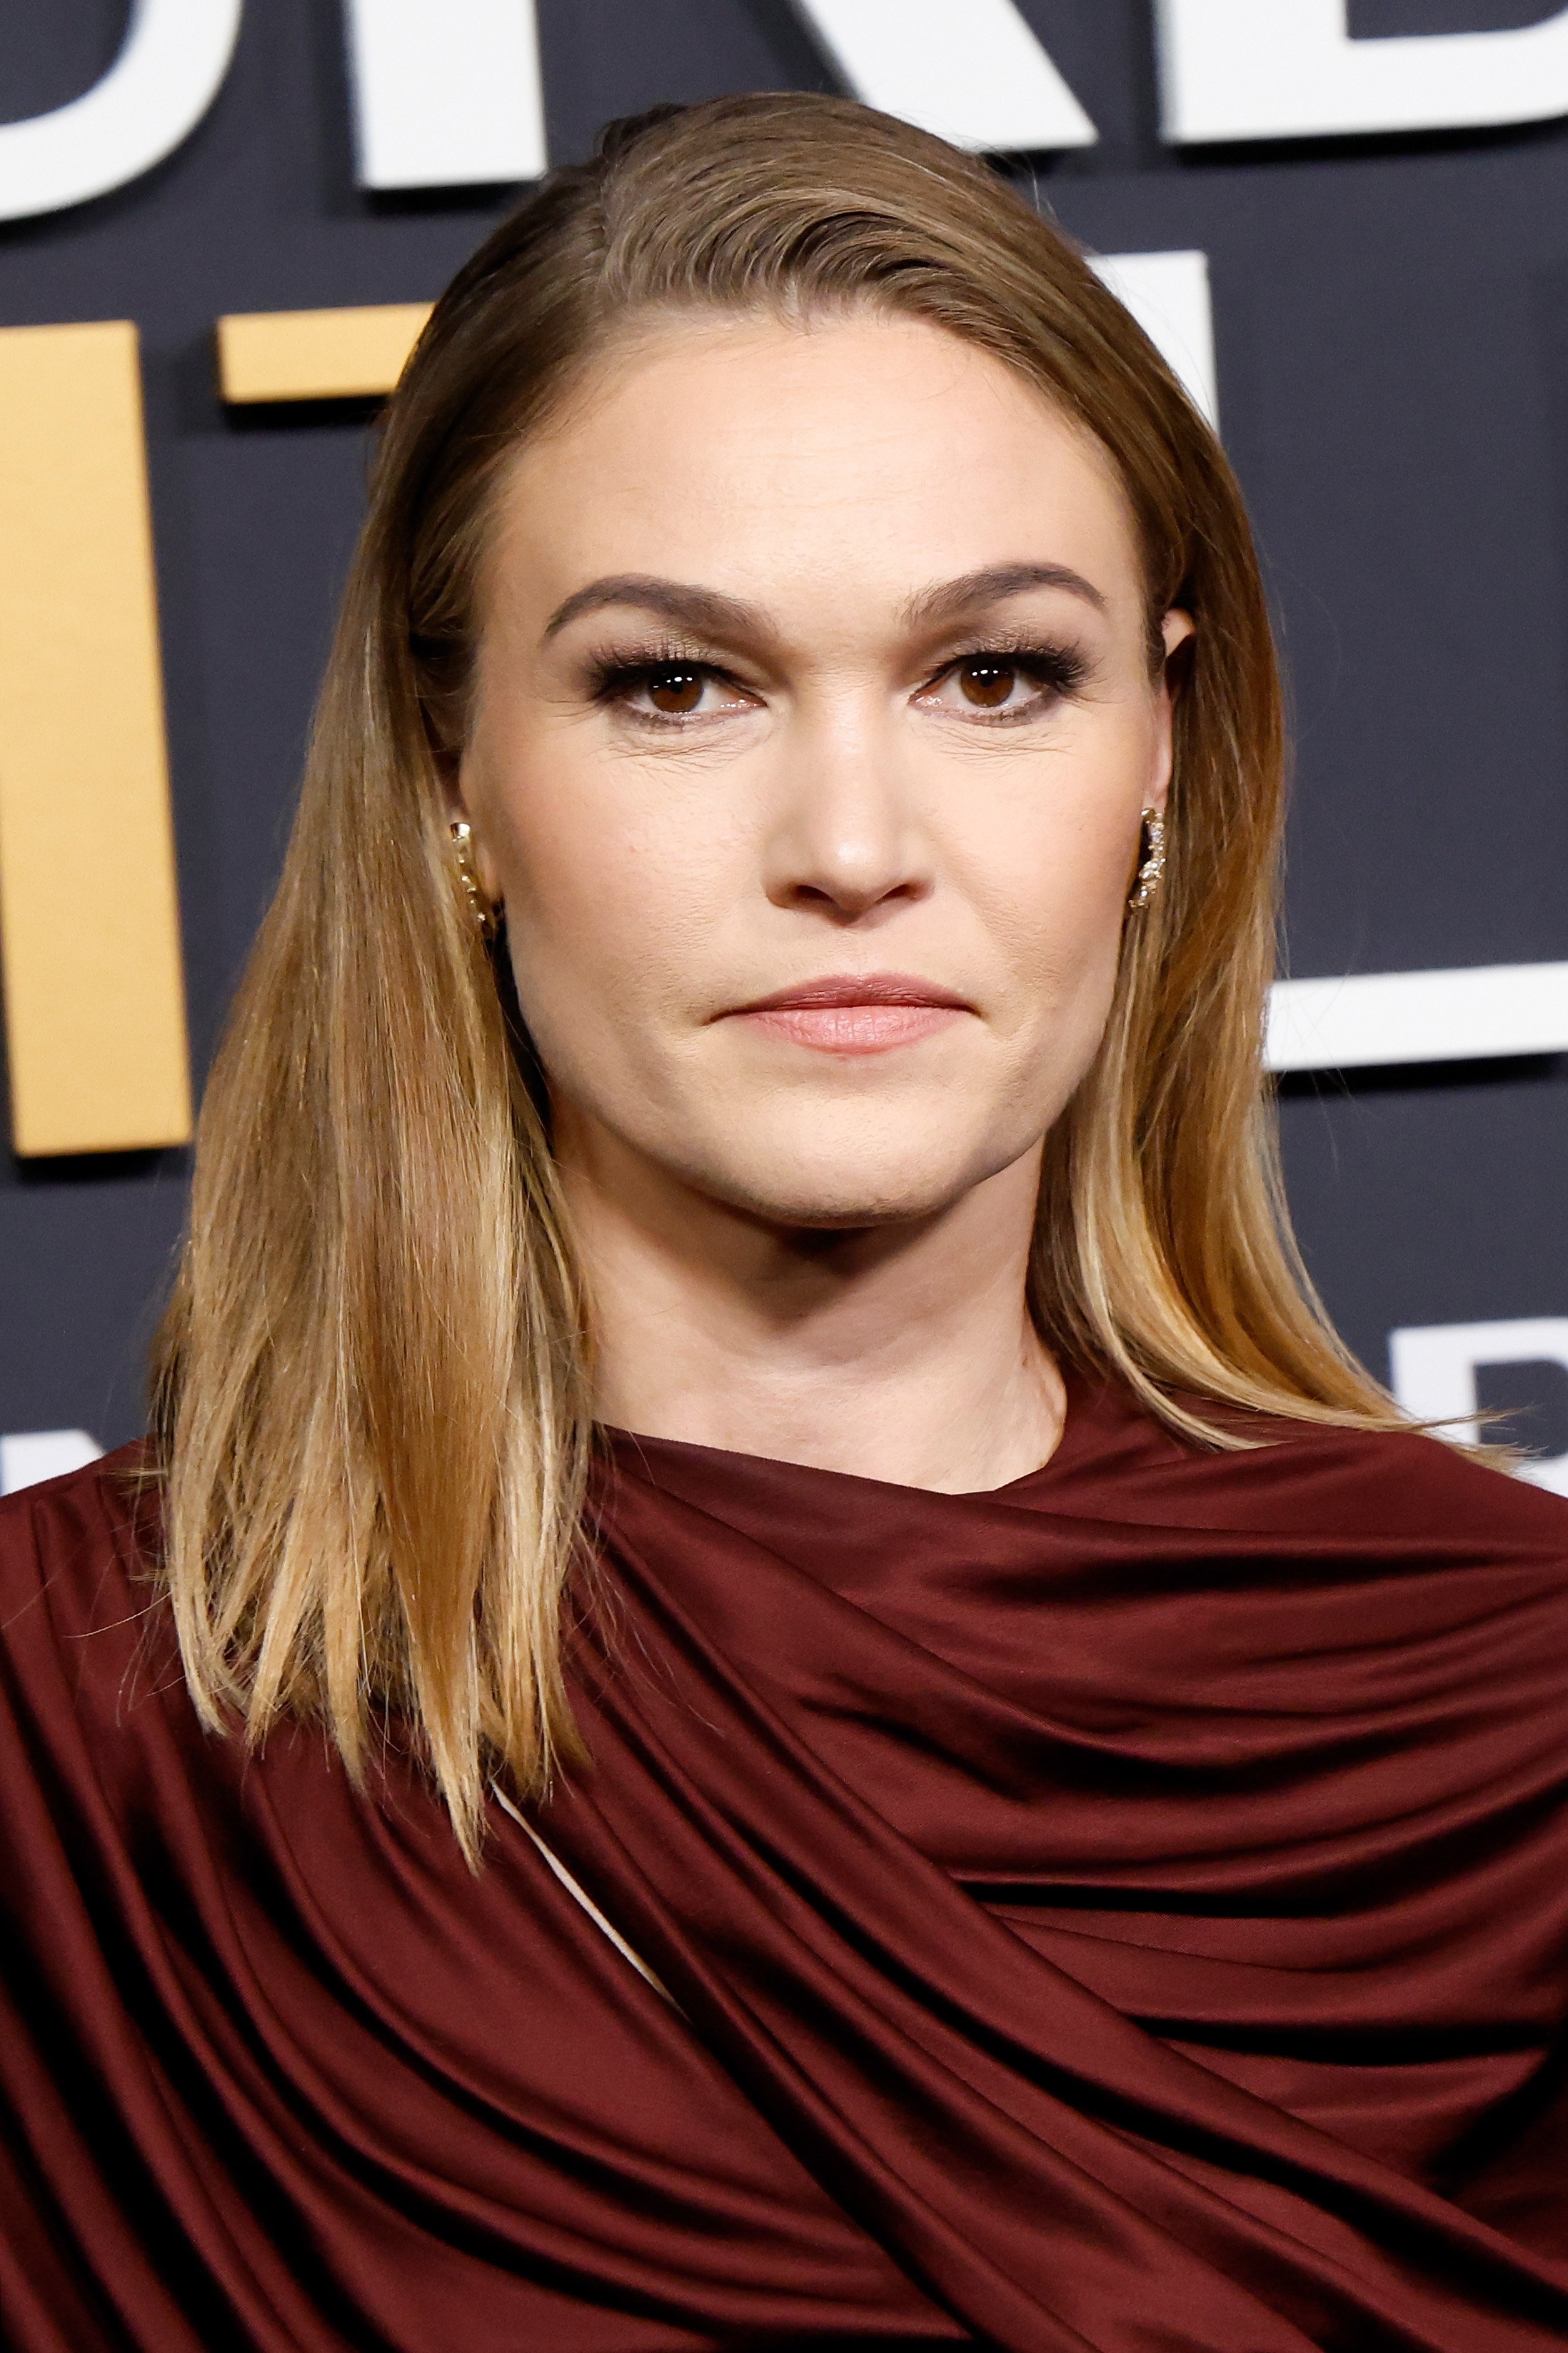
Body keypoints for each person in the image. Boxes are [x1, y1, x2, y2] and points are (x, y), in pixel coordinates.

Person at [1, 91, 1564, 2353]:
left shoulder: (1508, 1694)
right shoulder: (80, 1743)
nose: (851, 840)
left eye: (993, 676)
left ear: (1156, 761)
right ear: (455, 777)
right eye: (674, 684)